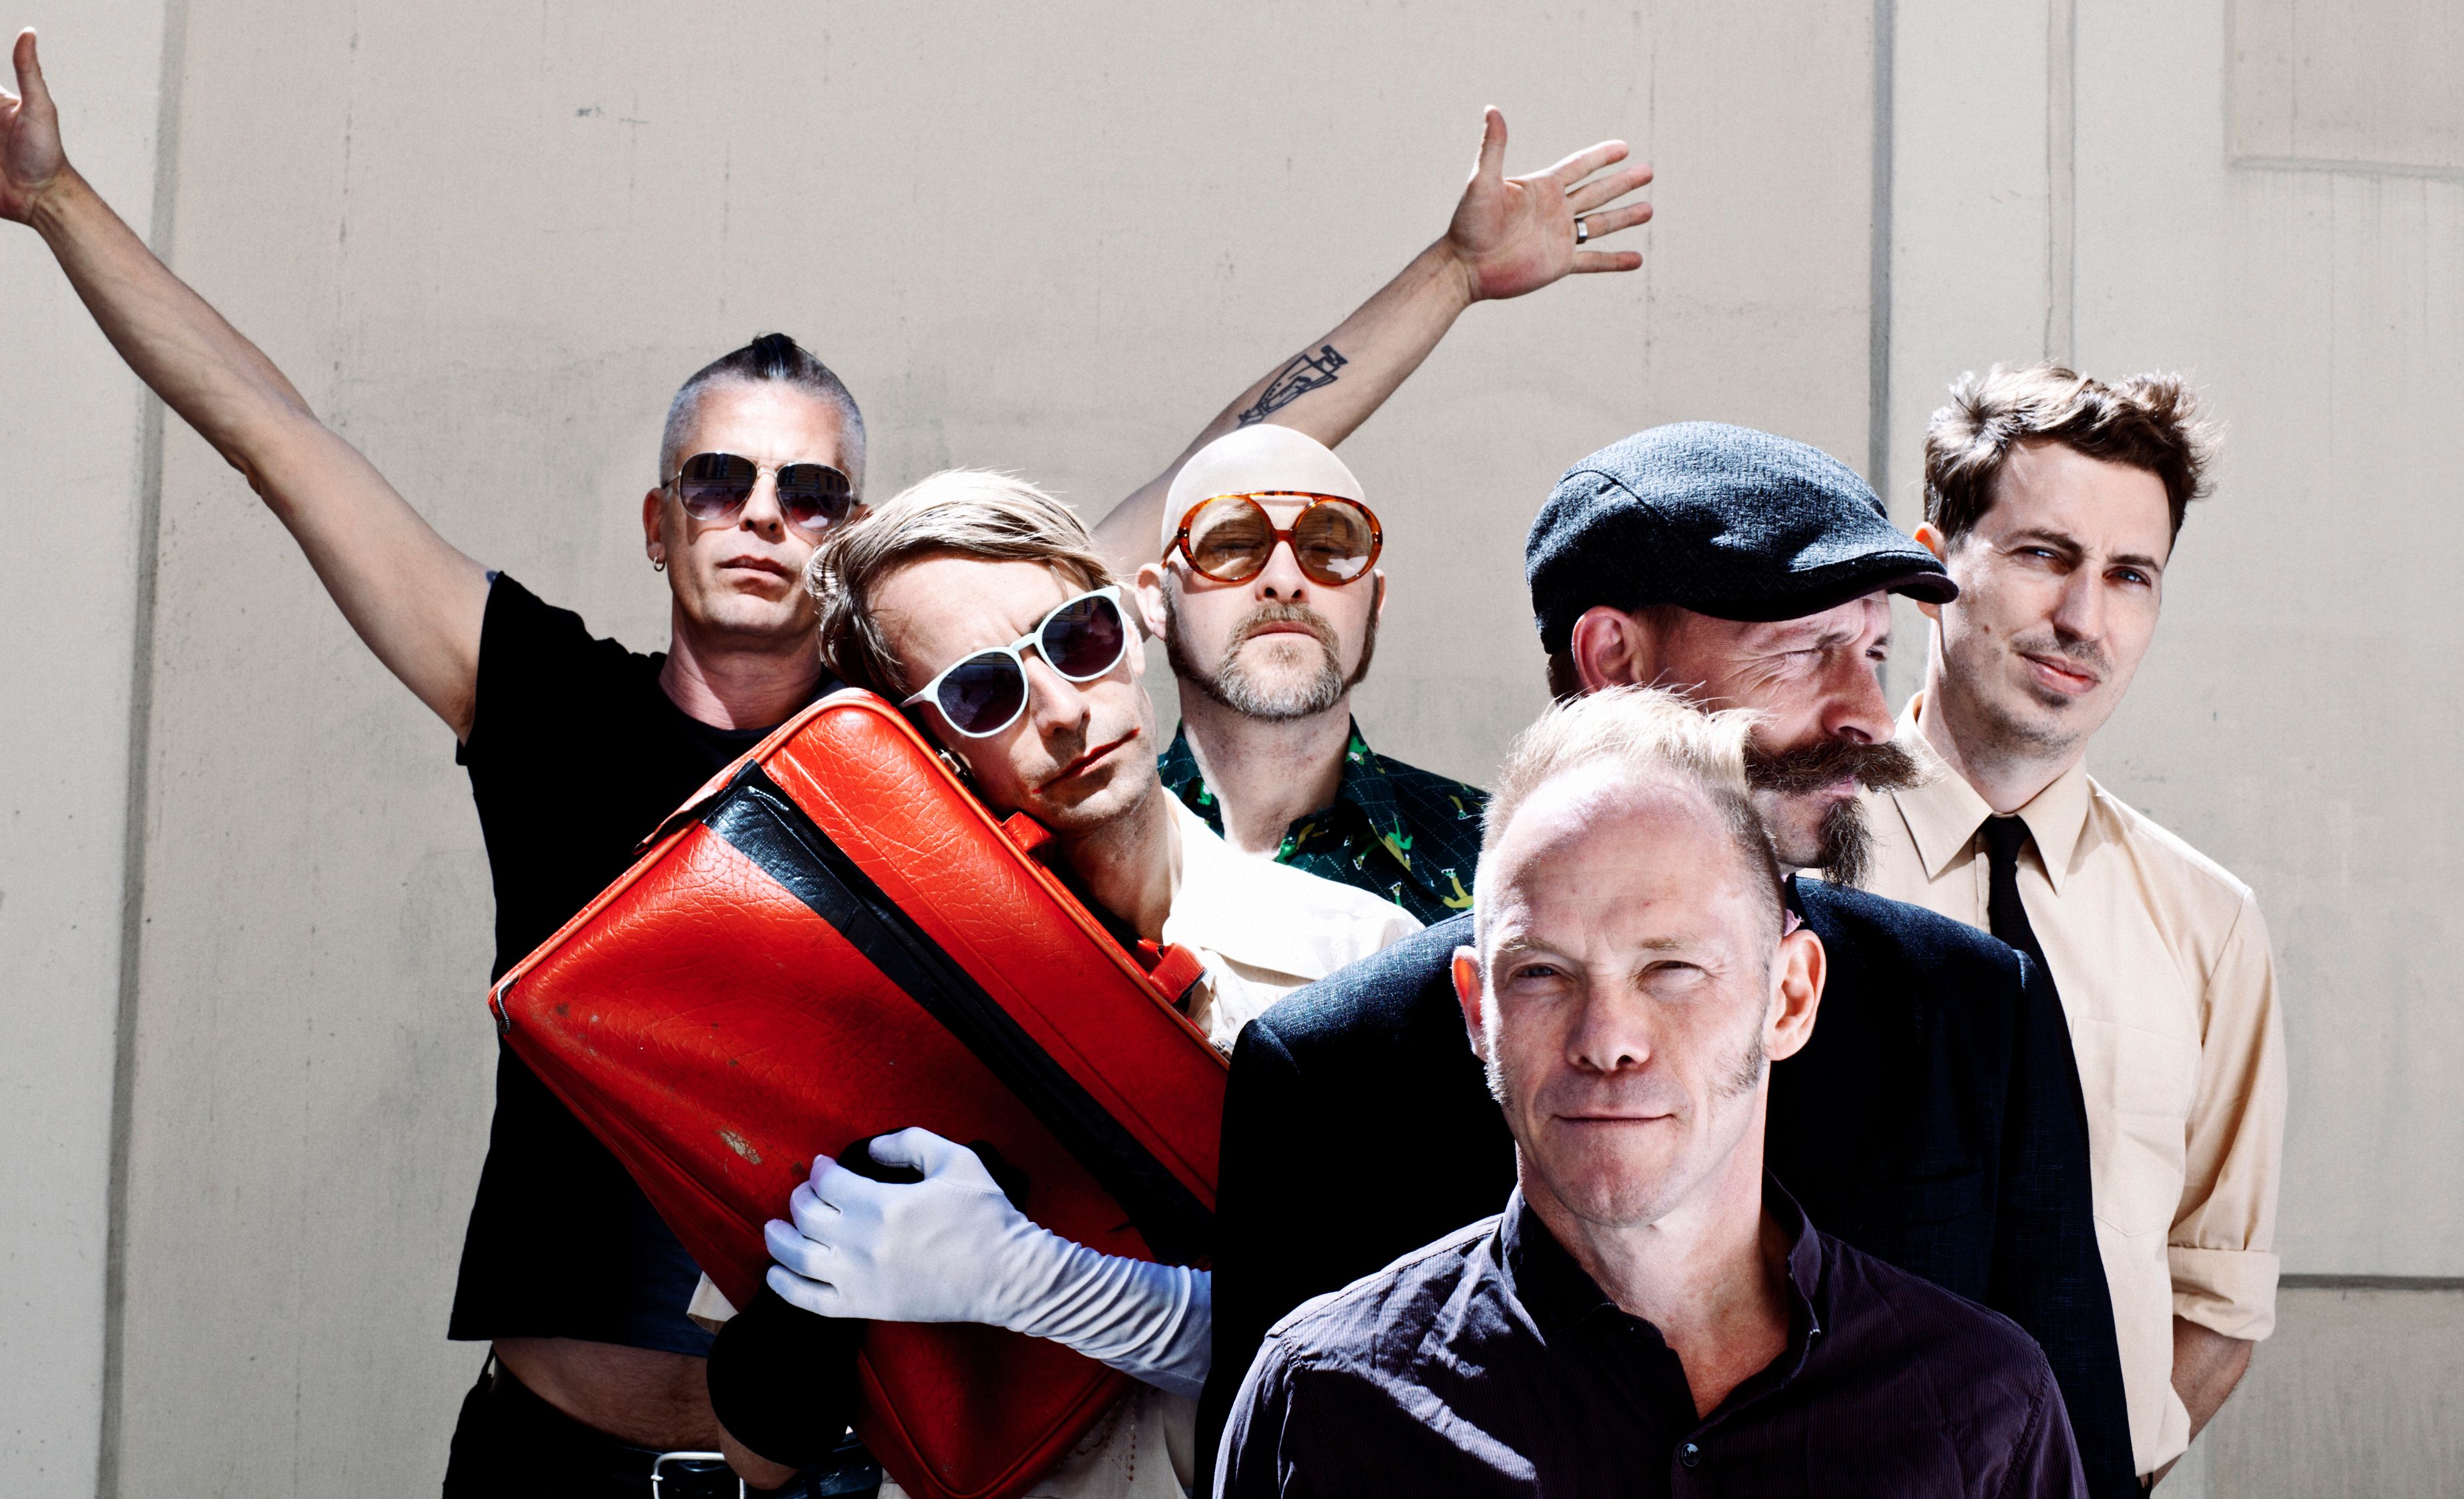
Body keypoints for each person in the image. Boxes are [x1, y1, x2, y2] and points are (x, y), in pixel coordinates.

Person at [0, 24, 1652, 1493]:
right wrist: (58, 201)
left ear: (852, 530)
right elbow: (279, 442)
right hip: (565, 1448)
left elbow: (1220, 471)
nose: (760, 517)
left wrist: (1450, 269)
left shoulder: (960, 731)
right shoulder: (551, 706)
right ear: (659, 520)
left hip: (857, 1456)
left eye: (806, 492)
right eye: (718, 483)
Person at [1198, 423, 2139, 1499]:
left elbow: (2069, 1440)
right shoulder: (1330, 1071)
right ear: (1612, 662)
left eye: (1871, 653)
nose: (1869, 717)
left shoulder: (1971, 1010)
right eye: (1805, 652)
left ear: (1791, 997)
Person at [712, 471, 1420, 1497]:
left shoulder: (1363, 962)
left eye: (1076, 637)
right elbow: (759, 1450)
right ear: (922, 752)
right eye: (982, 691)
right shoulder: (875, 1005)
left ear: (1132, 626)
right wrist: (813, 1309)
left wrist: (1033, 1279)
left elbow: (1403, 1365)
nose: (1059, 710)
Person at [1853, 365, 2286, 1486]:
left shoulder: (2207, 927)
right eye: (2044, 555)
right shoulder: (1784, 871)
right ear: (1932, 571)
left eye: (2129, 575)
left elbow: (2216, 1294)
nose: (2083, 620)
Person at [1137, 425, 1486, 923]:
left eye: (1326, 549)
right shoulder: (1073, 858)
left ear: (1375, 603)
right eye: (1232, 545)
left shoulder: (1508, 861)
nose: (1285, 580)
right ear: (1158, 602)